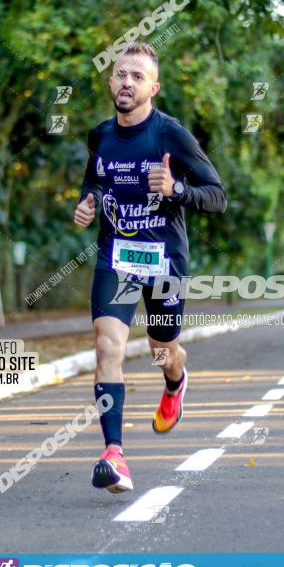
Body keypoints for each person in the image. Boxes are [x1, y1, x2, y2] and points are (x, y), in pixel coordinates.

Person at [74, 42, 227, 493]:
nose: (127, 82)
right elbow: (94, 180)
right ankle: (114, 454)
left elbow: (217, 196)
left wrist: (177, 188)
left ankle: (176, 380)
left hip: (164, 260)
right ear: (110, 80)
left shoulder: (171, 136)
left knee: (163, 348)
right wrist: (88, 203)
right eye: (121, 74)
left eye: (137, 77)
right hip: (116, 257)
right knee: (108, 347)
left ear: (153, 88)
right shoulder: (99, 136)